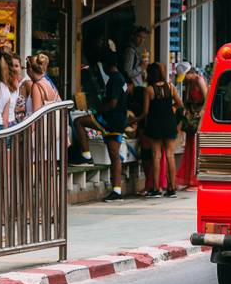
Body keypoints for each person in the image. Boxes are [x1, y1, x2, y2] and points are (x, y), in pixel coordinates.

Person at [72, 50, 128, 202]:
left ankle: (86, 156)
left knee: (78, 122)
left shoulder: (114, 80)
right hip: (119, 121)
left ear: (106, 65)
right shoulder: (121, 79)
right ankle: (116, 191)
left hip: (109, 120)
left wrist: (96, 111)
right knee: (114, 155)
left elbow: (112, 103)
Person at [138, 62, 183, 198]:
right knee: (170, 155)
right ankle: (172, 188)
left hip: (154, 123)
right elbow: (180, 104)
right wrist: (170, 109)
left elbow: (145, 112)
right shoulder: (171, 86)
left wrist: (135, 119)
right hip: (169, 122)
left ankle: (156, 188)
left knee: (156, 155)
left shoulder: (149, 90)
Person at [0, 51, 22, 125]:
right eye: (12, 66)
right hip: (5, 121)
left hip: (11, 122)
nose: (14, 69)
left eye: (16, 66)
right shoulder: (2, 83)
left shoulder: (24, 82)